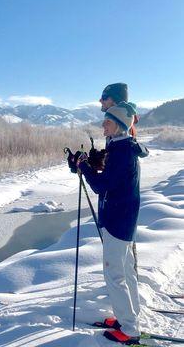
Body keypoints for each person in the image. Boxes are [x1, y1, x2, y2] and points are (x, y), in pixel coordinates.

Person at [76, 102, 149, 345]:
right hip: (123, 218)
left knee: (115, 275)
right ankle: (128, 319)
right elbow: (109, 178)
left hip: (118, 220)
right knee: (126, 272)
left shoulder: (122, 152)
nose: (102, 125)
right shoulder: (121, 147)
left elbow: (100, 185)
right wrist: (91, 165)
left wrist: (84, 167)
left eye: (107, 121)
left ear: (118, 125)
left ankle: (129, 330)